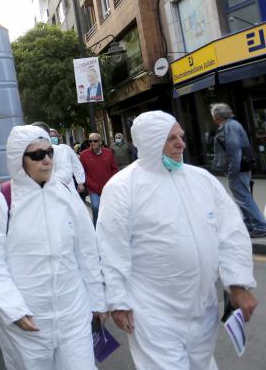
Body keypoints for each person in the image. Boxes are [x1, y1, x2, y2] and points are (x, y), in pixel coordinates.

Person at [97, 111, 257, 369]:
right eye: (171, 138)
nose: (181, 144)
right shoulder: (122, 188)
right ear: (150, 141)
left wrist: (238, 283)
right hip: (153, 313)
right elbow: (112, 249)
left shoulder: (202, 180)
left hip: (202, 309)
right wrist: (118, 300)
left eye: (181, 137)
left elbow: (231, 233)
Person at [0, 125, 106, 370]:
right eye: (37, 155)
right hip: (28, 324)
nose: (46, 160)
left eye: (49, 152)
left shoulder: (66, 194)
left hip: (73, 314)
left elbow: (87, 250)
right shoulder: (0, 201)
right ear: (19, 160)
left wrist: (97, 300)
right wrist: (13, 309)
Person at [211, 103, 266, 237]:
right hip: (241, 167)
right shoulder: (232, 125)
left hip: (238, 168)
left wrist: (232, 171)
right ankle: (249, 224)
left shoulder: (229, 127)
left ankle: (260, 226)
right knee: (242, 198)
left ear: (217, 116)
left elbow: (235, 151)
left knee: (244, 198)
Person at [32, 122, 85, 197]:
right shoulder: (36, 150)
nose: (53, 138)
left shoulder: (64, 148)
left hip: (65, 187)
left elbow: (75, 165)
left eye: (54, 136)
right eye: (51, 136)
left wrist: (80, 181)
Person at [79, 132, 118, 225]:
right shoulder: (84, 155)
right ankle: (96, 229)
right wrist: (88, 183)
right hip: (93, 188)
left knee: (109, 208)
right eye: (90, 141)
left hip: (108, 187)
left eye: (95, 141)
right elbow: (82, 172)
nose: (92, 143)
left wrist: (111, 181)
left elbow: (114, 168)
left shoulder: (108, 152)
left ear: (100, 141)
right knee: (96, 207)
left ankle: (110, 226)